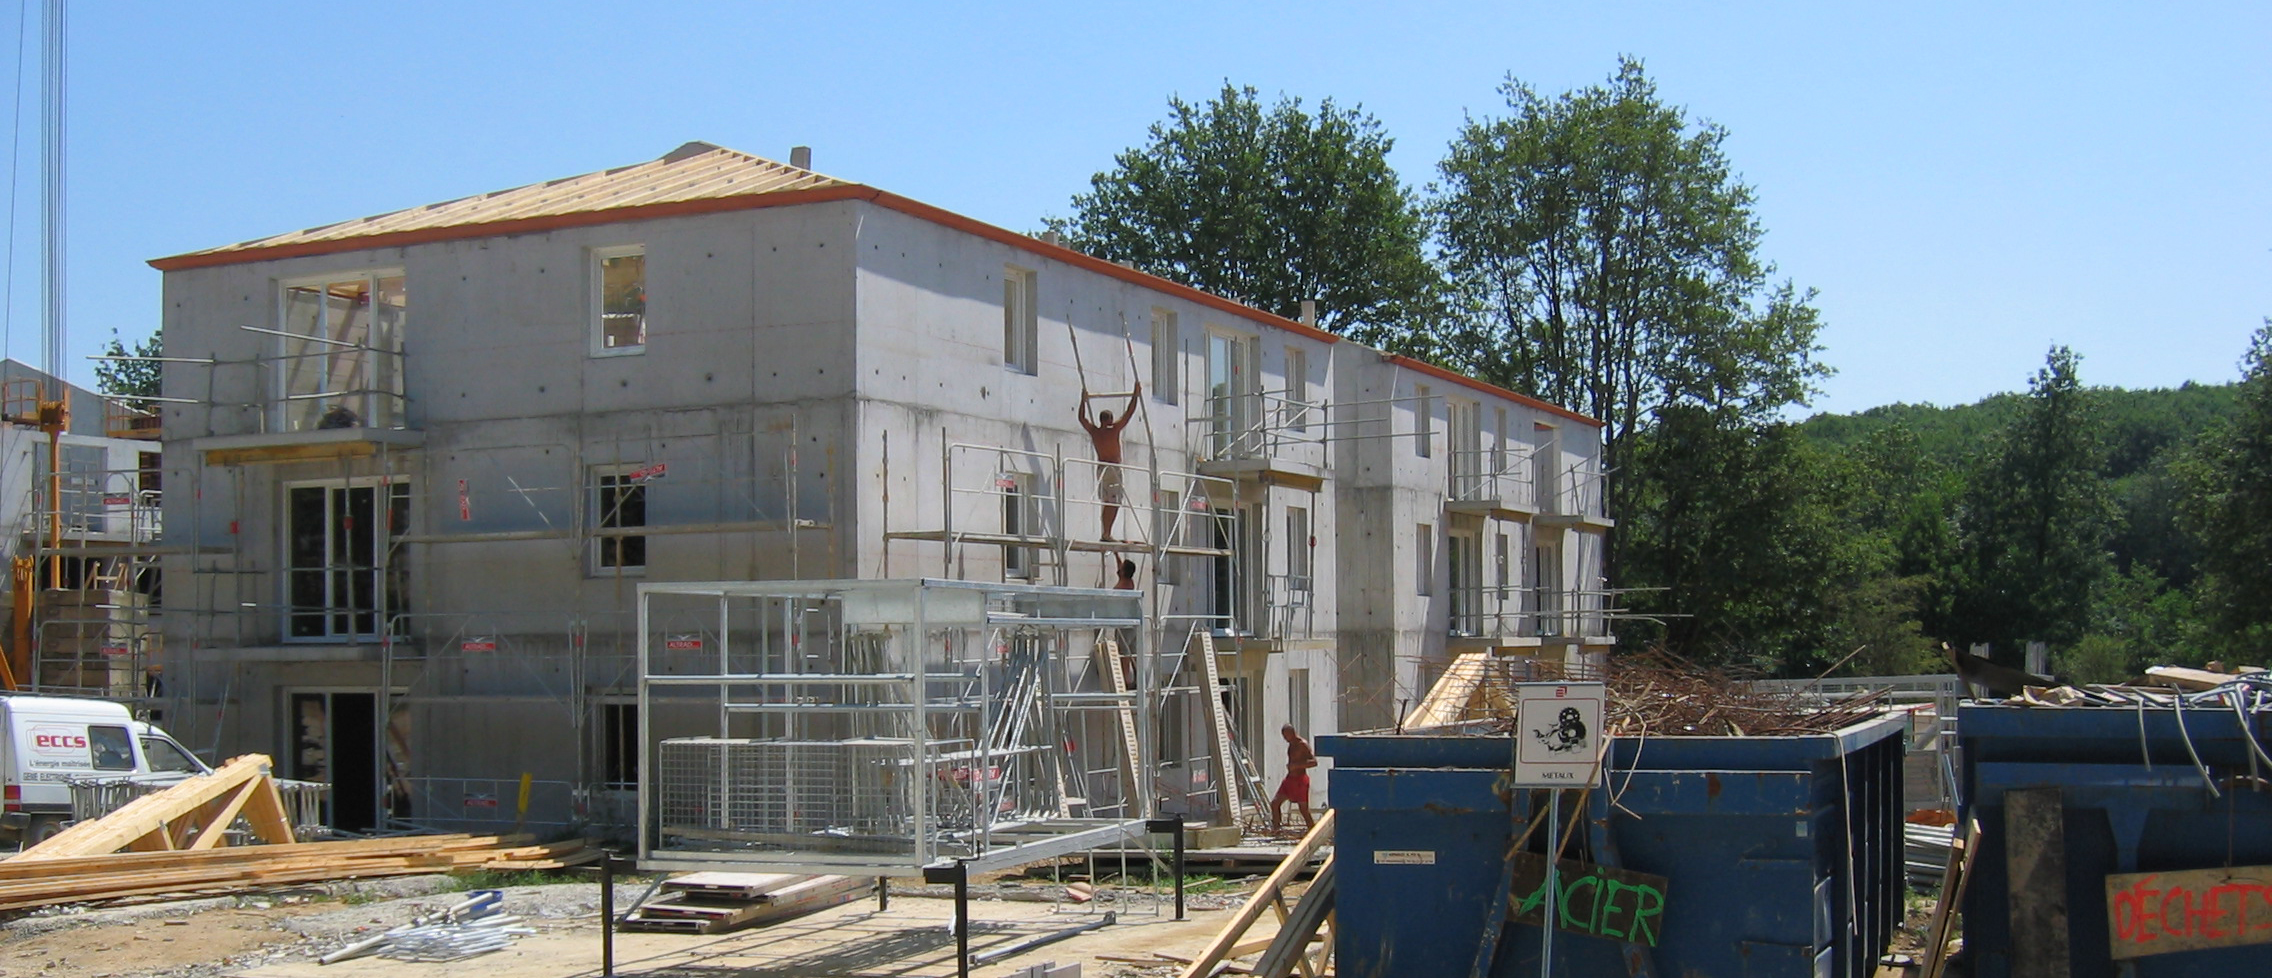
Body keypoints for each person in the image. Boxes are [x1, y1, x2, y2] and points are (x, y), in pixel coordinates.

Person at [1078, 381, 1140, 541]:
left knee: (1107, 502)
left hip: (1101, 469)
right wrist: (1135, 395)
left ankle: (1105, 532)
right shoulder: (1114, 430)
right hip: (1112, 469)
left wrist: (1082, 400)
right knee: (1114, 503)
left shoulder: (1095, 431)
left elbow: (1081, 418)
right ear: (1110, 419)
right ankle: (1106, 533)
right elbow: (1129, 413)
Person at [1271, 723, 1317, 833]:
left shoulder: (1302, 744)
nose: (1285, 739)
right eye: (1284, 736)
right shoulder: (1291, 745)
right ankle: (1276, 829)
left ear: (1292, 733)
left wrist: (1297, 765)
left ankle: (1313, 831)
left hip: (1300, 780)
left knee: (1303, 809)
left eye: (1286, 736)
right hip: (1289, 779)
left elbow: (1314, 762)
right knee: (1275, 803)